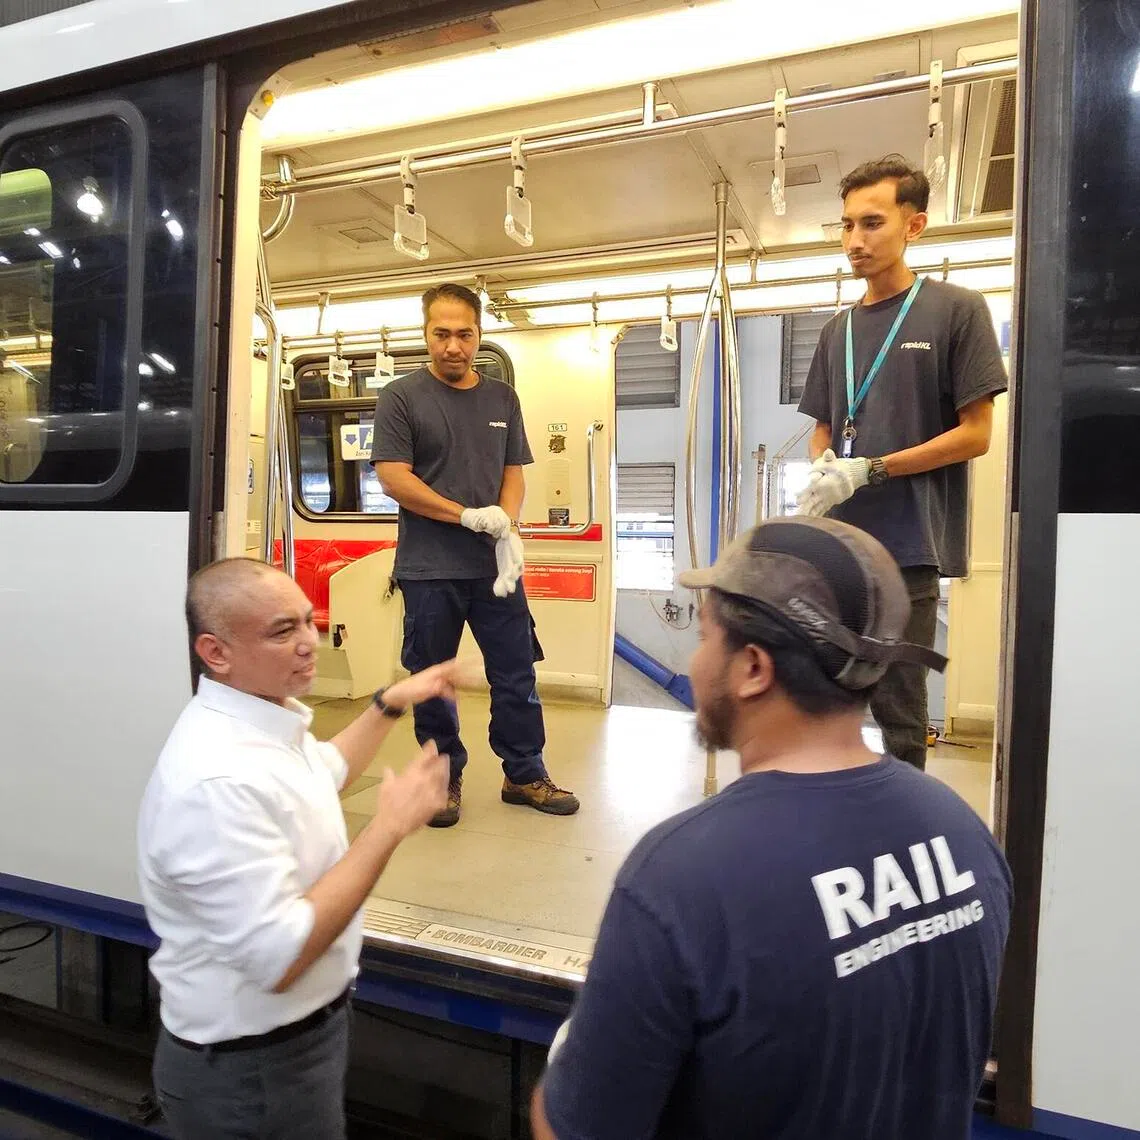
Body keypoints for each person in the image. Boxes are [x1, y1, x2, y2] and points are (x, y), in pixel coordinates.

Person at [530, 516, 1012, 1140]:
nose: (695, 662)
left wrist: (578, 1052)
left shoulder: (683, 877)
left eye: (704, 638)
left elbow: (570, 1132)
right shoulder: (964, 833)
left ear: (753, 667)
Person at [138, 557, 457, 1140]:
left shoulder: (261, 723)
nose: (310, 642)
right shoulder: (216, 780)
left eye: (309, 622)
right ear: (217, 652)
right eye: (283, 631)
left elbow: (324, 771)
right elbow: (279, 957)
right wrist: (388, 827)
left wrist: (390, 703)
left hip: (297, 1044)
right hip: (251, 1073)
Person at [796, 154, 1008, 769]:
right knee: (829, 697)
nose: (854, 241)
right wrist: (825, 468)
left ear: (913, 226)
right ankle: (834, 818)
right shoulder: (837, 330)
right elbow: (824, 429)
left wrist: (874, 469)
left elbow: (976, 435)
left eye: (871, 223)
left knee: (897, 709)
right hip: (840, 548)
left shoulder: (957, 310)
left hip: (909, 544)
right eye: (846, 226)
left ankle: (897, 827)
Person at [370, 281, 579, 826]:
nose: (453, 347)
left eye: (464, 334)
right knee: (433, 678)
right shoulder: (401, 397)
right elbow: (394, 478)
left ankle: (524, 772)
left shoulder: (502, 398)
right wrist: (463, 514)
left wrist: (506, 523)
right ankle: (442, 780)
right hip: (428, 568)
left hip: (494, 571)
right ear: (426, 334)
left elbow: (513, 473)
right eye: (441, 334)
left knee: (516, 674)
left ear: (479, 334)